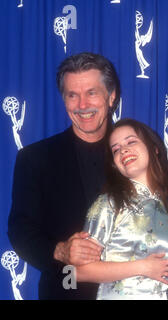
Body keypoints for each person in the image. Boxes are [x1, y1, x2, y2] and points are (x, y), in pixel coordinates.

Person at [7, 52, 120, 299]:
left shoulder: (139, 152)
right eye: (72, 95)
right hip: (66, 293)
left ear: (111, 97)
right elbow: (21, 229)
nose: (82, 105)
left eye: (91, 92)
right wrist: (60, 251)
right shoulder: (35, 158)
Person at [77, 118, 168, 299]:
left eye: (131, 141)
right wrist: (143, 267)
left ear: (154, 148)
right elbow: (79, 271)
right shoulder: (109, 203)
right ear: (115, 165)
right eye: (116, 149)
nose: (123, 150)